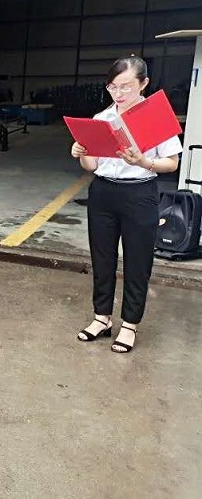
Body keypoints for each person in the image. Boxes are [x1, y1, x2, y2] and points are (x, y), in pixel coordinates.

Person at [72, 56, 181, 353]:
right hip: (103, 192)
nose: (119, 94)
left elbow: (172, 163)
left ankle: (130, 324)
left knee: (137, 261)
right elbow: (92, 165)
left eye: (126, 87)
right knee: (102, 258)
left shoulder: (156, 116)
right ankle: (102, 318)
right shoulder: (102, 118)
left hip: (140, 193)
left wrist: (143, 161)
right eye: (113, 87)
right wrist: (81, 151)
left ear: (144, 84)